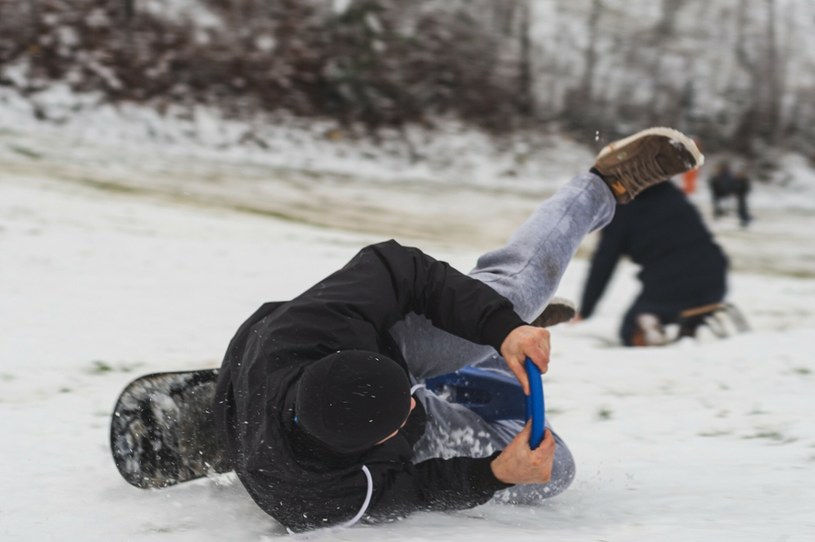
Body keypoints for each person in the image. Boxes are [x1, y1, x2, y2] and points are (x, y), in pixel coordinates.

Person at [213, 127, 703, 531]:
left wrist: (502, 325)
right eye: (407, 408)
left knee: (512, 299)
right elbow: (414, 490)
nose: (413, 401)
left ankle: (601, 186)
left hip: (356, 349)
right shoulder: (320, 494)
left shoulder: (311, 326)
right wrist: (495, 474)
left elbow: (403, 270)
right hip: (352, 420)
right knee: (552, 472)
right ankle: (479, 362)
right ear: (374, 445)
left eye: (408, 394)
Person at [578, 179, 728, 346]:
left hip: (672, 285)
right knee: (681, 304)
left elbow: (604, 263)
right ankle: (683, 328)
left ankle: (647, 323)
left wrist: (585, 310)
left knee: (629, 329)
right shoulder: (669, 191)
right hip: (715, 278)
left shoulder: (620, 211)